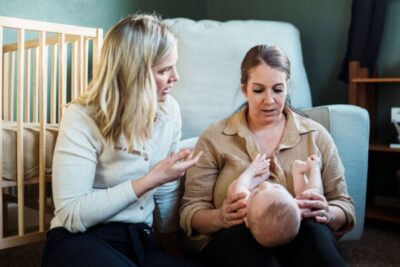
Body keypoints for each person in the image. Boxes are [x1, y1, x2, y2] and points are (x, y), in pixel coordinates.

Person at [41, 14, 203, 267]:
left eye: (174, 66)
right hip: (81, 239)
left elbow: (167, 192)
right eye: (164, 70)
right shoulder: (82, 117)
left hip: (140, 240)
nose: (175, 77)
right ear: (134, 74)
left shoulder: (169, 111)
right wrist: (150, 179)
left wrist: (175, 253)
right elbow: (72, 214)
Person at [180, 44, 355, 267]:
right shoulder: (215, 137)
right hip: (236, 236)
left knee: (316, 237)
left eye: (278, 90)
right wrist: (221, 217)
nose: (270, 100)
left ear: (287, 87)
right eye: (259, 90)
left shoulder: (315, 135)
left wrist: (327, 212)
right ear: (244, 88)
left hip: (303, 233)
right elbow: (191, 211)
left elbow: (344, 206)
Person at [227, 154, 323, 248]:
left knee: (233, 189)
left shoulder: (244, 209)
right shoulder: (294, 212)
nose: (265, 185)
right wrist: (315, 168)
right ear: (299, 213)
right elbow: (314, 192)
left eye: (256, 193)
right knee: (308, 197)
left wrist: (253, 169)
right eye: (276, 187)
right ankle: (299, 173)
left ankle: (298, 173)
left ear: (247, 223)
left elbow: (240, 185)